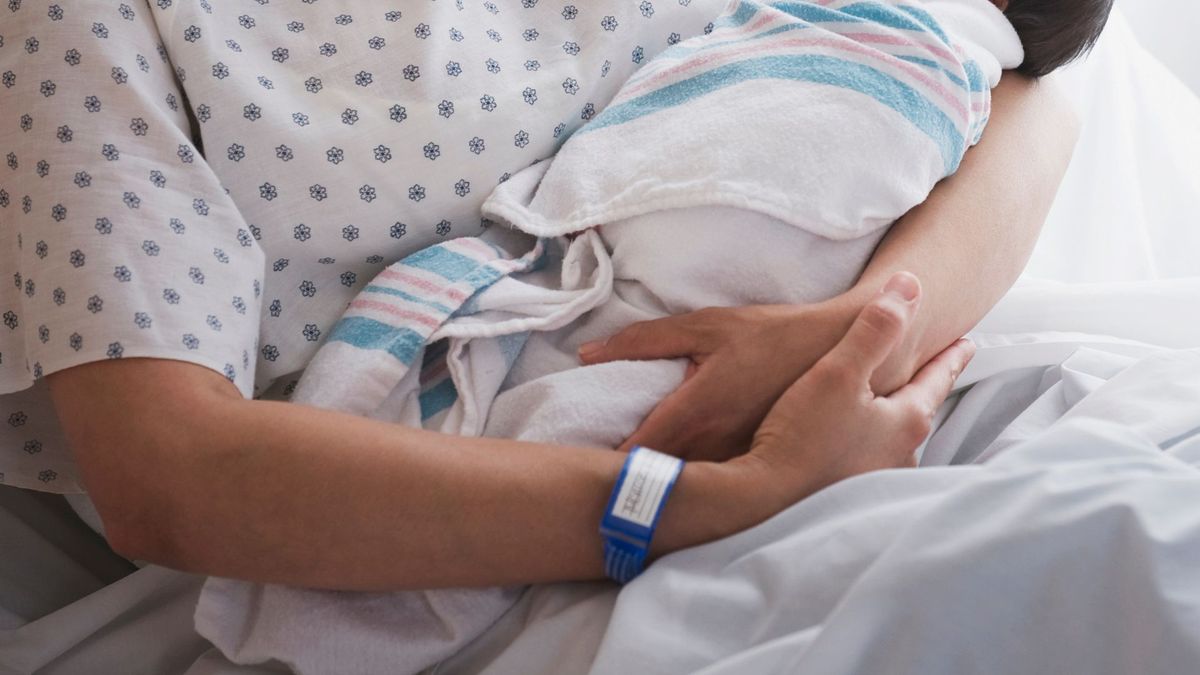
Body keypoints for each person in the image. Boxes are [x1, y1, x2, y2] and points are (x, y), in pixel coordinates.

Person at [0, 0, 1075, 601]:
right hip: (466, 527)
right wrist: (731, 496)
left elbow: (1031, 99)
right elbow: (175, 478)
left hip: (838, 401)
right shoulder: (78, 28)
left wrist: (850, 345)